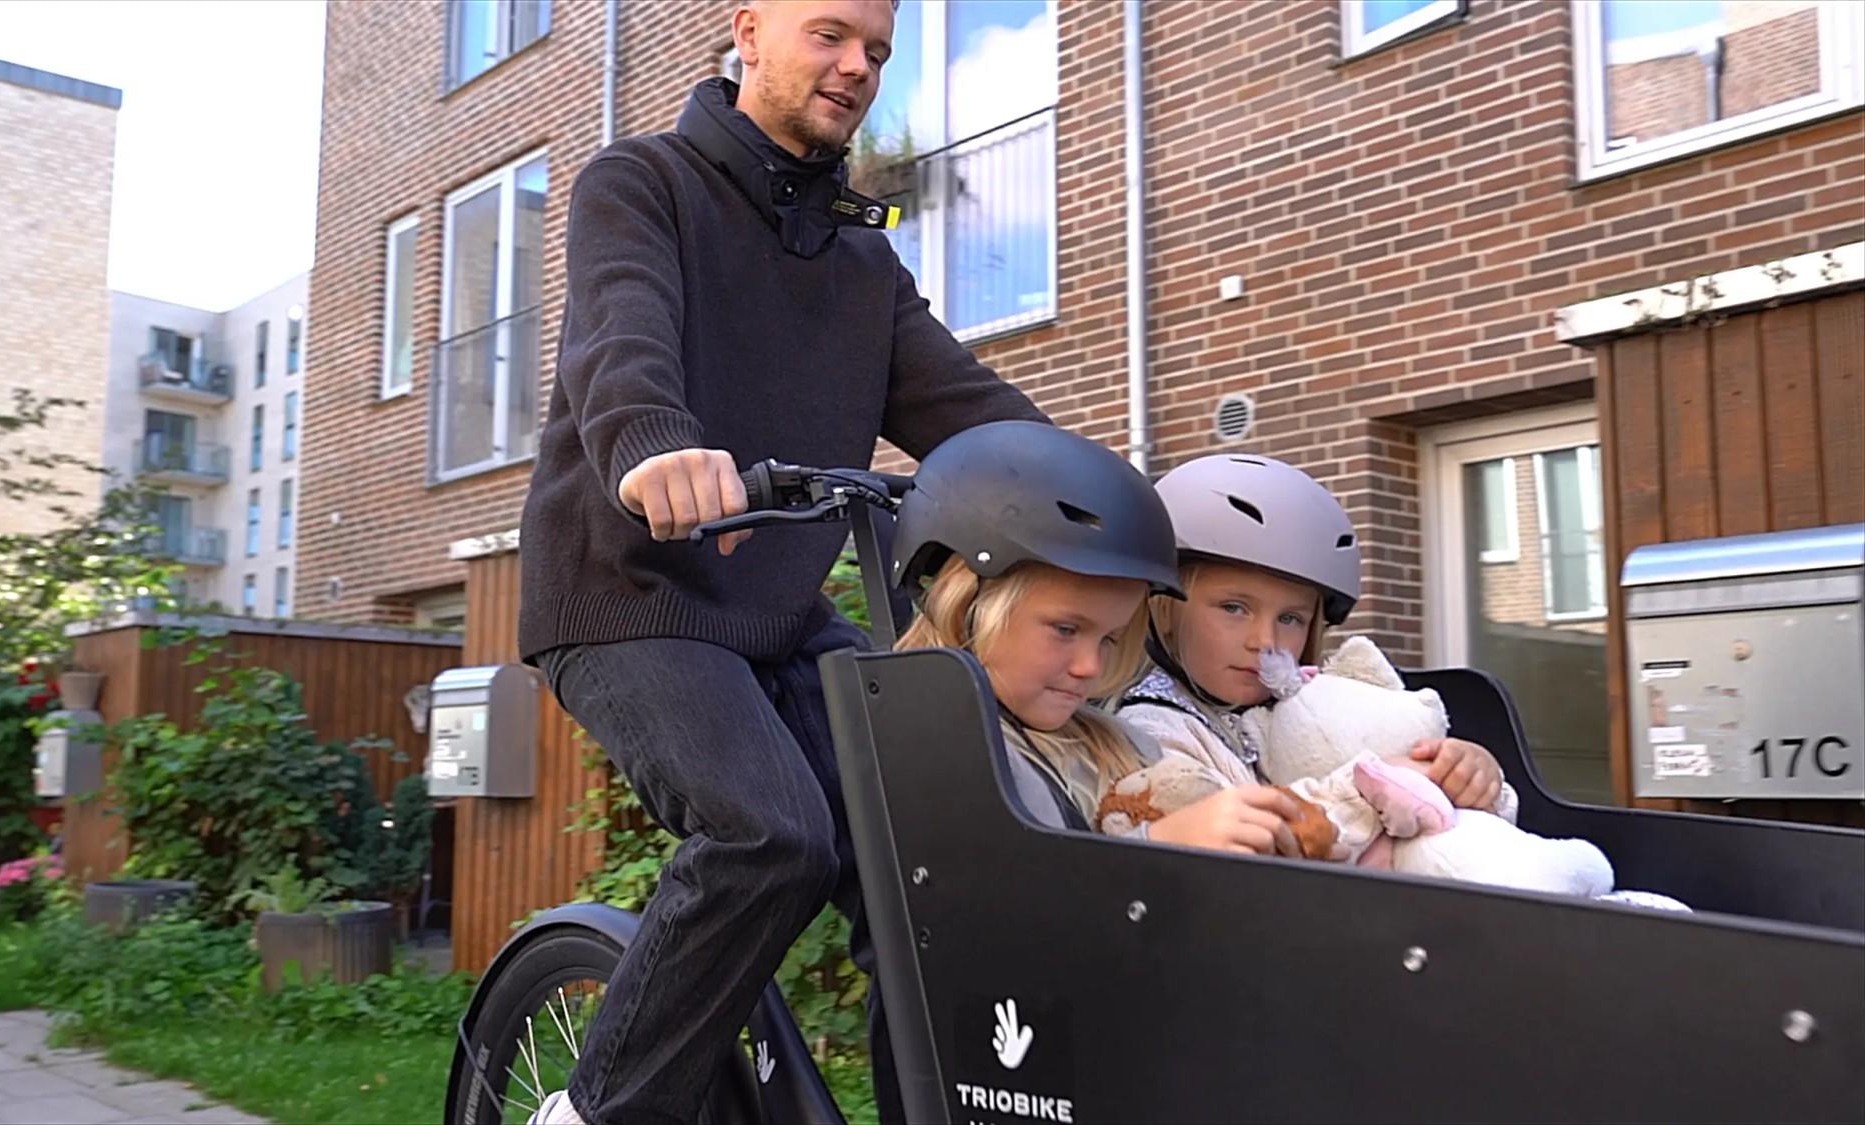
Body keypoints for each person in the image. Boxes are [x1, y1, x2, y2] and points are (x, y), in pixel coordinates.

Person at [513, 2, 1048, 1121]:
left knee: (928, 846)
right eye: (829, 34)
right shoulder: (641, 182)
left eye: (878, 52)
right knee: (770, 833)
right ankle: (594, 1110)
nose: (856, 68)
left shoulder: (859, 255)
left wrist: (1118, 502)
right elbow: (622, 338)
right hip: (629, 590)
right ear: (749, 31)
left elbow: (969, 408)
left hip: (776, 606)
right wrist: (654, 449)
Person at [888, 421, 1309, 853]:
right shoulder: (931, 743)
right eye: (1066, 629)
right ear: (967, 607)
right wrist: (1159, 846)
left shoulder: (1121, 748)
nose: (1090, 667)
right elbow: (987, 893)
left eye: (1110, 639)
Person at [1117, 454, 1513, 827]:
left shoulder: (1319, 708)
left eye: (1291, 618)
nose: (1265, 640)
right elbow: (1251, 854)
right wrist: (1380, 784)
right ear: (1162, 606)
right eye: (1234, 608)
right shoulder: (1153, 730)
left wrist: (1472, 778)